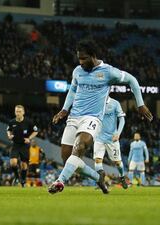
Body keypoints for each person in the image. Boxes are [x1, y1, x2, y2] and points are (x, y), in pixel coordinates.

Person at [50, 39, 153, 194]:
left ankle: (60, 182)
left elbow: (132, 80)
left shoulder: (108, 72)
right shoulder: (77, 71)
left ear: (93, 56)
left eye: (84, 58)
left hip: (92, 118)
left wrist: (140, 104)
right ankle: (98, 178)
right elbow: (72, 90)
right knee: (68, 160)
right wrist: (64, 110)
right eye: (79, 58)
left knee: (80, 146)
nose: (81, 62)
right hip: (74, 117)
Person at [93, 97, 128, 189]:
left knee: (117, 162)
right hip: (99, 138)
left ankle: (122, 177)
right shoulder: (95, 102)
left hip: (112, 139)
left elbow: (122, 119)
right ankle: (100, 182)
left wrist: (118, 133)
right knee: (97, 160)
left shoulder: (115, 103)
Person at [6, 105, 38, 187]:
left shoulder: (28, 122)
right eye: (16, 111)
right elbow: (8, 130)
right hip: (15, 144)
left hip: (24, 145)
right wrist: (9, 135)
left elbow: (36, 131)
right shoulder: (12, 122)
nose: (18, 113)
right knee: (13, 162)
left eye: (20, 111)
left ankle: (23, 179)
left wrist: (29, 138)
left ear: (23, 112)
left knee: (24, 165)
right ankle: (17, 177)